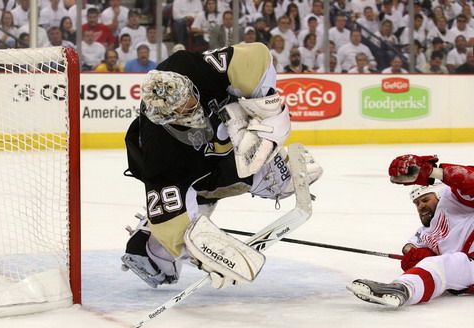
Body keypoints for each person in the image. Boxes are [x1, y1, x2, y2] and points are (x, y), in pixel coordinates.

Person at [121, 42, 322, 290]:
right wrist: (206, 256)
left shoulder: (187, 67)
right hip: (189, 171)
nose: (191, 108)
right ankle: (148, 245)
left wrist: (266, 114)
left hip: (220, 144)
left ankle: (257, 175)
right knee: (169, 242)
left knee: (282, 178)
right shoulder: (159, 157)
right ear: (166, 119)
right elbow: (171, 222)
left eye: (189, 100)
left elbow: (257, 56)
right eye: (182, 111)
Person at [348, 154, 474, 307]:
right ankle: (403, 290)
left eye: (426, 200)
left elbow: (469, 179)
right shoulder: (421, 234)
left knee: (443, 264)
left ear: (441, 195)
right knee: (442, 265)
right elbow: (411, 252)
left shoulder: (455, 201)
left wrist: (432, 172)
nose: (421, 206)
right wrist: (415, 257)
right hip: (469, 264)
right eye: (417, 203)